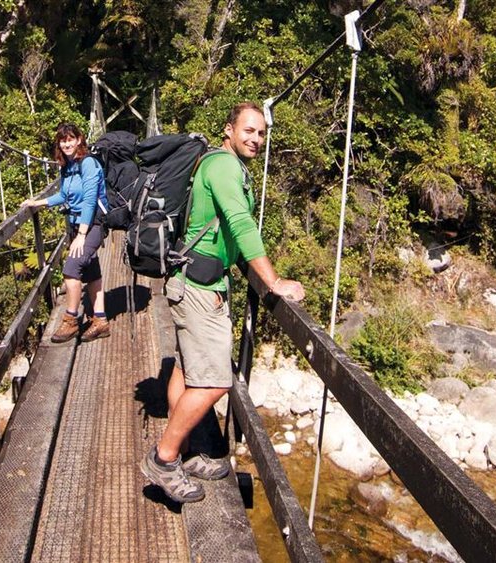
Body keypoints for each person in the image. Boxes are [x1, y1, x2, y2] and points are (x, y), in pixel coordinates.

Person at [140, 102, 305, 503]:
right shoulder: (226, 168)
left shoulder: (217, 163)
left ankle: (188, 452)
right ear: (228, 130)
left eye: (262, 133)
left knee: (187, 368)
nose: (256, 139)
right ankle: (163, 459)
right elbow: (240, 224)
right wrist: (274, 280)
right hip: (199, 288)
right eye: (249, 130)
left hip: (190, 281)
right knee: (215, 380)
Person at [22, 123, 110, 343]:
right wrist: (39, 202)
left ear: (79, 140)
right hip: (75, 224)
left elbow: (90, 200)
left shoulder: (88, 163)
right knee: (90, 270)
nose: (67, 144)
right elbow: (64, 195)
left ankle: (70, 320)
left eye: (71, 139)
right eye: (63, 140)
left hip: (93, 224)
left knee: (71, 267)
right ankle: (100, 320)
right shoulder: (67, 166)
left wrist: (81, 234)